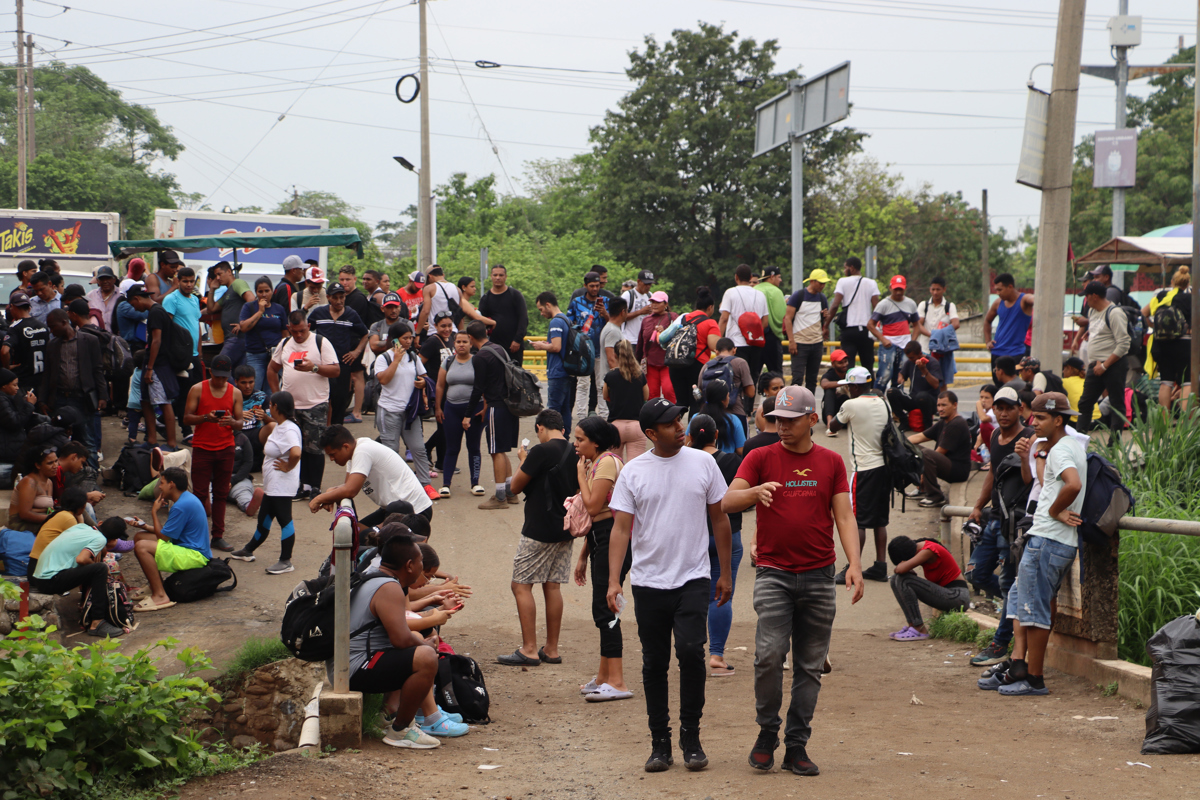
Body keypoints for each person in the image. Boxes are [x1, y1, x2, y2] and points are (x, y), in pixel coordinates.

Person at [722, 385, 862, 777]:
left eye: (789, 420)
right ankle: (767, 732)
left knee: (810, 665)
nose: (780, 427)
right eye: (776, 420)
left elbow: (844, 517)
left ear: (812, 419)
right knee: (768, 656)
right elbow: (725, 502)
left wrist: (854, 563)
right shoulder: (760, 457)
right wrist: (754, 492)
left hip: (819, 576)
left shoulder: (832, 462)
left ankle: (797, 744)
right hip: (774, 574)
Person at [605, 398, 733, 772]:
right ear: (650, 433)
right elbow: (621, 529)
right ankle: (659, 742)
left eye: (680, 419)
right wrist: (614, 580)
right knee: (654, 662)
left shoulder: (704, 463)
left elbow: (720, 521)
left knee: (692, 652)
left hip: (694, 577)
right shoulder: (633, 472)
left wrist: (724, 572)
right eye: (670, 423)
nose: (680, 426)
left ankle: (691, 737)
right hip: (648, 583)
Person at [987, 392, 1086, 697]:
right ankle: (1018, 665)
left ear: (1058, 420)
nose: (1034, 423)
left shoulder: (1061, 450)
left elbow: (1073, 484)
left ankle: (1034, 678)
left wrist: (1056, 511)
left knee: (1034, 609)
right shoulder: (1063, 447)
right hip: (1047, 538)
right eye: (1033, 417)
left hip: (1049, 539)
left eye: (1041, 418)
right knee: (1019, 599)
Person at [337, 534, 444, 750]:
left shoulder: (377, 579)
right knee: (426, 657)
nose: (422, 566)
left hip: (348, 663)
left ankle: (389, 715)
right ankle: (400, 730)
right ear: (409, 565)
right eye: (421, 561)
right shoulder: (389, 588)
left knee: (416, 644)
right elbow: (400, 639)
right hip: (354, 668)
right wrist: (427, 647)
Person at [561, 418, 632, 701]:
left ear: (596, 441)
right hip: (600, 536)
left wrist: (580, 474)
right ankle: (604, 676)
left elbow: (592, 506)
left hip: (612, 537)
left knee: (607, 608)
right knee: (601, 607)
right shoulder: (597, 462)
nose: (576, 445)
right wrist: (583, 556)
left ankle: (617, 681)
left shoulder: (606, 462)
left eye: (580, 440)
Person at [496, 411, 574, 666]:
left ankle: (529, 649)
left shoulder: (540, 452)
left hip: (539, 528)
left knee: (521, 585)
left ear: (540, 428)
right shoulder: (574, 450)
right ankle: (551, 649)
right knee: (552, 585)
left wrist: (522, 460)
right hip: (565, 527)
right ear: (562, 428)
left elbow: (515, 487)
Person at [964, 387, 1033, 661]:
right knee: (975, 574)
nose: (1003, 413)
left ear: (1020, 409)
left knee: (1007, 583)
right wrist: (978, 506)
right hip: (994, 517)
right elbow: (992, 472)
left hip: (1015, 523)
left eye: (1009, 408)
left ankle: (1000, 644)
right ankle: (1012, 604)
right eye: (999, 408)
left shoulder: (1029, 437)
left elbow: (1033, 482)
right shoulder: (993, 434)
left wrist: (1026, 457)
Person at [684, 414, 743, 678]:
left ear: (690, 436)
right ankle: (717, 655)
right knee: (721, 594)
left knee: (690, 593)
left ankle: (690, 651)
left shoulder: (684, 463)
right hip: (727, 535)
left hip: (692, 534)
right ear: (716, 435)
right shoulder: (733, 461)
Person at [268, 310, 341, 500]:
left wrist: (314, 367)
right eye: (294, 331)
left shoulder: (320, 342)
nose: (298, 335)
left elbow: (335, 370)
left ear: (308, 326)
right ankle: (301, 485)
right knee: (295, 446)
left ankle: (314, 486)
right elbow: (272, 368)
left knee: (314, 447)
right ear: (288, 329)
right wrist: (277, 394)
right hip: (290, 407)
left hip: (315, 403)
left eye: (302, 331)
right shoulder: (284, 344)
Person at [828, 366, 891, 583]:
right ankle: (881, 566)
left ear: (854, 386)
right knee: (880, 520)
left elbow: (833, 426)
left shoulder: (851, 404)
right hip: (885, 468)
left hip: (864, 469)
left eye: (848, 386)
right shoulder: (883, 401)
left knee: (858, 521)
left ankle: (853, 566)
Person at [231, 391, 303, 574]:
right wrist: (266, 419)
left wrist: (288, 466)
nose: (268, 408)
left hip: (282, 486)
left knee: (285, 521)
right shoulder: (280, 424)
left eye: (270, 405)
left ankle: (286, 561)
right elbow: (274, 427)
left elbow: (295, 452)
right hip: (273, 486)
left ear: (276, 407)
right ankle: (248, 550)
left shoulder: (289, 429)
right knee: (264, 518)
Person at [310, 426, 434, 526]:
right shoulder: (353, 454)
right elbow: (348, 486)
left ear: (345, 447)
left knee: (367, 540)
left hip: (414, 511)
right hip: (391, 509)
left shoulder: (363, 451)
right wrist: (330, 493)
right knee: (357, 533)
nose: (331, 459)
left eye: (333, 454)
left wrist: (319, 498)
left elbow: (350, 491)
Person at [129, 467, 213, 612]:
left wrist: (154, 512)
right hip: (186, 545)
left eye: (162, 483)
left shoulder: (181, 506)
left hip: (195, 555)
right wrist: (144, 526)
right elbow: (169, 533)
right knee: (140, 537)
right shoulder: (185, 498)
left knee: (142, 546)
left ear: (171, 484)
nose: (160, 487)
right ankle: (155, 585)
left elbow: (163, 537)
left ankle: (160, 596)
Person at [30, 516, 130, 638]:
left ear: (101, 523)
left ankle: (86, 607)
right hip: (50, 581)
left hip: (39, 577)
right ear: (114, 539)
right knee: (100, 568)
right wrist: (99, 566)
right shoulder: (100, 539)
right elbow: (81, 559)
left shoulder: (81, 527)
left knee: (93, 568)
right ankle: (97, 622)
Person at [182, 354, 243, 552]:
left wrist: (232, 422)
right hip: (202, 448)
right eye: (218, 377)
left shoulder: (235, 393)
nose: (221, 381)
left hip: (226, 448)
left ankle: (217, 535)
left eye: (225, 377)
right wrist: (204, 418)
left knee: (221, 494)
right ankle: (197, 535)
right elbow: (186, 418)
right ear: (210, 373)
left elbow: (241, 422)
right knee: (199, 494)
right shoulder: (197, 389)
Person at [374, 321, 438, 502]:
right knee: (391, 451)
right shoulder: (383, 358)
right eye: (405, 338)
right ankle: (393, 488)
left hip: (410, 412)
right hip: (388, 411)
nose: (409, 341)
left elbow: (424, 377)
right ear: (394, 339)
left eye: (411, 337)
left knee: (418, 448)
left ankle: (425, 484)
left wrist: (423, 383)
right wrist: (396, 360)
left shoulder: (413, 357)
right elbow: (384, 380)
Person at [40, 309, 106, 469]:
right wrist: (43, 400)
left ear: (64, 322)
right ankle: (67, 476)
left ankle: (91, 477)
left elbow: (97, 369)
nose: (51, 330)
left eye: (53, 326)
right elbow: (47, 374)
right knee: (62, 440)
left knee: (87, 440)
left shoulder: (89, 341)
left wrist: (103, 396)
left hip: (83, 399)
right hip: (61, 399)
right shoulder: (52, 345)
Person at [466, 321, 520, 510]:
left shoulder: (480, 356)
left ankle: (499, 497)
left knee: (496, 450)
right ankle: (510, 492)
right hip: (510, 404)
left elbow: (478, 388)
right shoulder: (500, 349)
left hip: (497, 406)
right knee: (502, 449)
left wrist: (468, 414)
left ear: (471, 338)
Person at [1075, 280, 1132, 438]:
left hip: (1113, 365)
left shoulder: (1114, 313)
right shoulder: (1093, 312)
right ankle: (1080, 440)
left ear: (1094, 296)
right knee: (1085, 403)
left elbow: (1123, 344)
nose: (1085, 300)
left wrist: (1105, 365)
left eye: (1086, 296)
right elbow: (1098, 329)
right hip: (1096, 365)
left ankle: (1114, 443)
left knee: (1116, 403)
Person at [308, 282, 369, 428]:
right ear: (328, 297)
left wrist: (356, 352)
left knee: (340, 400)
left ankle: (336, 431)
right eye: (335, 298)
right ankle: (321, 429)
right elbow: (306, 330)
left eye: (342, 297)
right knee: (322, 398)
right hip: (323, 364)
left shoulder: (351, 314)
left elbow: (365, 334)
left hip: (343, 364)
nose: (339, 301)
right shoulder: (319, 313)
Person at [127, 284, 180, 450]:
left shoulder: (156, 312)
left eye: (133, 304)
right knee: (145, 401)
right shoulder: (155, 311)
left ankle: (171, 443)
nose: (134, 308)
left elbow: (156, 340)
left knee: (163, 402)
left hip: (158, 364)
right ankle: (151, 440)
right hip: (152, 362)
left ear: (136, 299)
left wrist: (150, 368)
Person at [886, 535, 969, 641]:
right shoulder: (921, 547)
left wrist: (903, 565)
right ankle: (912, 625)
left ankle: (919, 629)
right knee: (895, 579)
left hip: (957, 597)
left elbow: (900, 569)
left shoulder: (928, 550)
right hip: (948, 594)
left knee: (904, 580)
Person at [436, 330, 485, 497]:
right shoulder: (448, 362)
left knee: (473, 447)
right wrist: (438, 408)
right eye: (458, 342)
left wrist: (485, 407)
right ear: (454, 344)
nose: (461, 345)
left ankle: (475, 483)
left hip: (474, 411)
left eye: (465, 342)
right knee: (452, 447)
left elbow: (483, 386)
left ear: (471, 344)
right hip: (452, 409)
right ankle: (446, 484)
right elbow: (440, 385)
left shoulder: (477, 361)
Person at [906, 390, 972, 509]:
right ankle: (922, 489)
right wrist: (901, 443)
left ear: (955, 405)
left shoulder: (957, 423)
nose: (940, 409)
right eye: (938, 405)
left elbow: (939, 453)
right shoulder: (943, 421)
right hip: (946, 464)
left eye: (944, 405)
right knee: (911, 448)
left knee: (925, 454)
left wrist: (922, 477)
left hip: (958, 471)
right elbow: (919, 437)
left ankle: (935, 496)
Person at [663, 289, 721, 416]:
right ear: (710, 307)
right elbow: (714, 346)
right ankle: (693, 434)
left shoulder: (682, 318)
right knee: (696, 403)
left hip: (676, 363)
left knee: (681, 402)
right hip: (697, 365)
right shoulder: (710, 323)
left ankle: (673, 429)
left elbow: (666, 337)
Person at [1144, 265, 1191, 414]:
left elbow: (1143, 313)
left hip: (1161, 344)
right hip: (1184, 344)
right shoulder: (1190, 298)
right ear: (1187, 283)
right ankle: (1185, 423)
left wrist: (1153, 326)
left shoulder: (1161, 296)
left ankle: (1163, 422)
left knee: (1166, 382)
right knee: (1186, 382)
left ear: (1172, 281)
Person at [162, 266, 203, 437]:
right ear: (178, 281)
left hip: (194, 354)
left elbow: (196, 325)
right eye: (185, 281)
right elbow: (166, 327)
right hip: (180, 355)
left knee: (196, 391)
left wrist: (199, 351)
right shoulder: (171, 300)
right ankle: (186, 431)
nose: (188, 284)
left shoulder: (194, 299)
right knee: (183, 393)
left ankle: (162, 421)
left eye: (191, 281)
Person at [567, 271, 611, 422]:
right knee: (583, 384)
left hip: (601, 349)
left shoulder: (606, 301)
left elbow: (615, 322)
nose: (594, 289)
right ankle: (581, 416)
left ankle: (604, 416)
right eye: (591, 286)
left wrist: (604, 313)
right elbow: (569, 323)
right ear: (585, 285)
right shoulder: (576, 302)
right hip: (583, 350)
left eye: (597, 286)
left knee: (601, 384)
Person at [236, 277, 287, 396]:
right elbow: (243, 327)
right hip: (255, 355)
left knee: (272, 391)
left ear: (272, 291)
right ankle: (252, 413)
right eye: (260, 291)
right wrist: (260, 312)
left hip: (274, 356)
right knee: (254, 389)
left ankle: (268, 414)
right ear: (256, 292)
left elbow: (285, 332)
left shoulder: (278, 309)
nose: (264, 294)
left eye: (267, 291)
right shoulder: (249, 307)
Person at [419, 313, 456, 478]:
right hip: (437, 389)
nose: (447, 329)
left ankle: (436, 456)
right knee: (445, 426)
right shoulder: (432, 342)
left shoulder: (453, 339)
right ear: (435, 326)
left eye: (449, 325)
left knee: (446, 427)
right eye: (443, 326)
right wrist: (426, 381)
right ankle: (436, 457)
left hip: (451, 389)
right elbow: (419, 363)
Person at [828, 256, 880, 373]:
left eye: (845, 268)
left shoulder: (842, 282)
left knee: (847, 365)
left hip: (849, 331)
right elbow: (877, 307)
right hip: (867, 331)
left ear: (851, 268)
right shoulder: (871, 283)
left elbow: (835, 305)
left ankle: (850, 389)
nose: (844, 270)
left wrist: (826, 325)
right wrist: (877, 329)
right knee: (868, 365)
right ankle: (868, 389)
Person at [718, 264, 770, 379]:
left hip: (736, 344)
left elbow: (724, 318)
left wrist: (718, 341)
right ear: (750, 277)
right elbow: (765, 322)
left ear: (736, 277)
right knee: (752, 378)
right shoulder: (760, 295)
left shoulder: (730, 292)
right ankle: (749, 398)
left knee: (736, 378)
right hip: (756, 344)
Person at [867, 275, 919, 391]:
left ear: (905, 288)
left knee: (901, 376)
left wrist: (912, 342)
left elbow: (917, 325)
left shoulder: (910, 304)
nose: (898, 292)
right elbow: (870, 324)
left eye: (901, 289)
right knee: (884, 375)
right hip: (888, 343)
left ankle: (897, 402)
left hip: (905, 344)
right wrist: (883, 339)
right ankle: (877, 398)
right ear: (890, 288)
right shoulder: (884, 304)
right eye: (896, 289)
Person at [783, 269, 830, 393]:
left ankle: (809, 407)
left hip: (817, 343)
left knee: (812, 379)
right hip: (800, 343)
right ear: (812, 281)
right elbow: (788, 318)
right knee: (797, 379)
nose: (823, 286)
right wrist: (791, 341)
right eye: (820, 283)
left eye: (824, 283)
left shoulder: (822, 297)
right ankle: (794, 407)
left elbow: (824, 320)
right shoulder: (798, 296)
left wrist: (825, 317)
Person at [24, 485, 87, 575]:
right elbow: (81, 544)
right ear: (83, 506)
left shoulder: (59, 514)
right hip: (42, 571)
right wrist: (81, 522)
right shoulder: (68, 518)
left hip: (35, 568)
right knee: (92, 567)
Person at [603, 339, 649, 462]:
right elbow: (646, 396)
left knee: (614, 465)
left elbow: (605, 395)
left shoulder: (610, 376)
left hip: (615, 425)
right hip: (636, 425)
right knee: (635, 467)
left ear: (615, 355)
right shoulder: (640, 375)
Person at [532, 292, 571, 431]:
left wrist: (541, 346)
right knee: (565, 409)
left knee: (553, 409)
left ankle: (552, 440)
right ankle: (564, 438)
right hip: (566, 371)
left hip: (557, 371)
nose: (541, 313)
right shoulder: (566, 319)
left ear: (547, 305)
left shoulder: (555, 322)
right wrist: (546, 343)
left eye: (541, 309)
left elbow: (556, 347)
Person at [477, 264, 528, 365]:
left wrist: (517, 340)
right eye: (495, 275)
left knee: (515, 376)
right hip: (494, 347)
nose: (498, 278)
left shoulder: (515, 295)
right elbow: (481, 323)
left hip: (514, 346)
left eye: (501, 275)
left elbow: (523, 319)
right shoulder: (485, 299)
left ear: (506, 277)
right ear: (491, 276)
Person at [887, 340, 943, 432]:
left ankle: (928, 425)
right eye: (909, 358)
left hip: (929, 401)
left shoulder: (932, 362)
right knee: (891, 392)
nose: (911, 360)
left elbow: (936, 384)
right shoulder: (910, 363)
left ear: (920, 353)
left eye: (912, 357)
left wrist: (924, 370)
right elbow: (902, 374)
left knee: (922, 396)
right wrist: (901, 378)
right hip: (914, 398)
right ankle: (904, 421)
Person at [1, 292, 49, 394]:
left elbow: (4, 351)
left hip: (23, 382)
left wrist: (7, 367)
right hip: (42, 380)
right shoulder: (43, 326)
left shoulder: (15, 327)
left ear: (12, 307)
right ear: (29, 308)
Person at [984, 273, 1035, 366]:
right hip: (997, 351)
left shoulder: (1023, 300)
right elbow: (987, 321)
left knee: (1013, 380)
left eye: (1000, 290)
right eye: (996, 290)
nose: (998, 293)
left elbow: (1032, 298)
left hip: (1016, 353)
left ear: (1010, 287)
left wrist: (1036, 299)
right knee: (997, 380)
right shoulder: (998, 303)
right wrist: (988, 341)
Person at [706, 338, 755, 433]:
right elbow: (751, 392)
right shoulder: (740, 362)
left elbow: (702, 389)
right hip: (736, 412)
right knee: (741, 446)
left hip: (711, 414)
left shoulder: (707, 366)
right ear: (734, 350)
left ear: (716, 351)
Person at [635, 291, 676, 403]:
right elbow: (640, 343)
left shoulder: (673, 318)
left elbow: (679, 337)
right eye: (652, 302)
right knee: (651, 395)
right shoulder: (646, 320)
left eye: (658, 302)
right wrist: (637, 362)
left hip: (668, 363)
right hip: (650, 363)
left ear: (666, 304)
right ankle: (654, 419)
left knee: (669, 391)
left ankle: (674, 416)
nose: (654, 304)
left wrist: (666, 332)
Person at [204, 261, 253, 342]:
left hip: (238, 336)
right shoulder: (227, 292)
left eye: (220, 274)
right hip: (230, 337)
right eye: (216, 275)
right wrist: (212, 289)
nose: (218, 278)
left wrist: (243, 325)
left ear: (229, 272)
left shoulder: (237, 283)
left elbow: (251, 300)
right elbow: (211, 309)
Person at [697, 380, 745, 455]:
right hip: (727, 463)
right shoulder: (733, 420)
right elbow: (741, 450)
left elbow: (688, 444)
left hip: (701, 462)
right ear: (723, 400)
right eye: (728, 395)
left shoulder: (696, 418)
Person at [0, 368, 37, 466]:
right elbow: (14, 422)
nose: (17, 388)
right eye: (14, 385)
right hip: (5, 458)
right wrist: (29, 405)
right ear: (4, 385)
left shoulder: (8, 399)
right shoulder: (1, 400)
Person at [756, 265, 787, 375]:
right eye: (779, 277)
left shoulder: (754, 290)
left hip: (754, 338)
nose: (780, 280)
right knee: (776, 374)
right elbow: (781, 315)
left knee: (753, 374)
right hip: (772, 338)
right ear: (772, 277)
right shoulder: (776, 291)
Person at [915, 276, 960, 352]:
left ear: (944, 289)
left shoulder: (950, 306)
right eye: (933, 289)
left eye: (938, 289)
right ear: (930, 290)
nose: (935, 292)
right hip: (925, 349)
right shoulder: (923, 305)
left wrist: (940, 334)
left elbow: (956, 324)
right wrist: (932, 335)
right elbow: (918, 324)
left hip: (943, 349)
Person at [416, 265, 461, 338]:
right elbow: (460, 314)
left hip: (435, 331)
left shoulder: (429, 288)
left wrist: (417, 333)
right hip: (452, 331)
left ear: (430, 276)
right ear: (443, 275)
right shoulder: (457, 289)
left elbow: (425, 311)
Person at [818, 349, 851, 433]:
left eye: (845, 361)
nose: (844, 365)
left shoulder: (850, 373)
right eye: (840, 363)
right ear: (833, 364)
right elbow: (824, 384)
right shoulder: (830, 374)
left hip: (847, 414)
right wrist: (844, 382)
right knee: (829, 391)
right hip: (833, 413)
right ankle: (830, 425)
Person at [620, 269, 656, 343]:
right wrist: (640, 312)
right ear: (639, 281)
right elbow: (620, 317)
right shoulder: (628, 295)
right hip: (629, 339)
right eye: (646, 284)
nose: (648, 286)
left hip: (645, 340)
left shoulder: (650, 295)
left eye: (650, 284)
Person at [86, 266, 120, 333]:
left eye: (108, 278)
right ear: (98, 281)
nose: (105, 281)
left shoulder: (120, 295)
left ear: (114, 280)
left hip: (116, 338)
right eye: (102, 279)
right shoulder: (90, 296)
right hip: (97, 338)